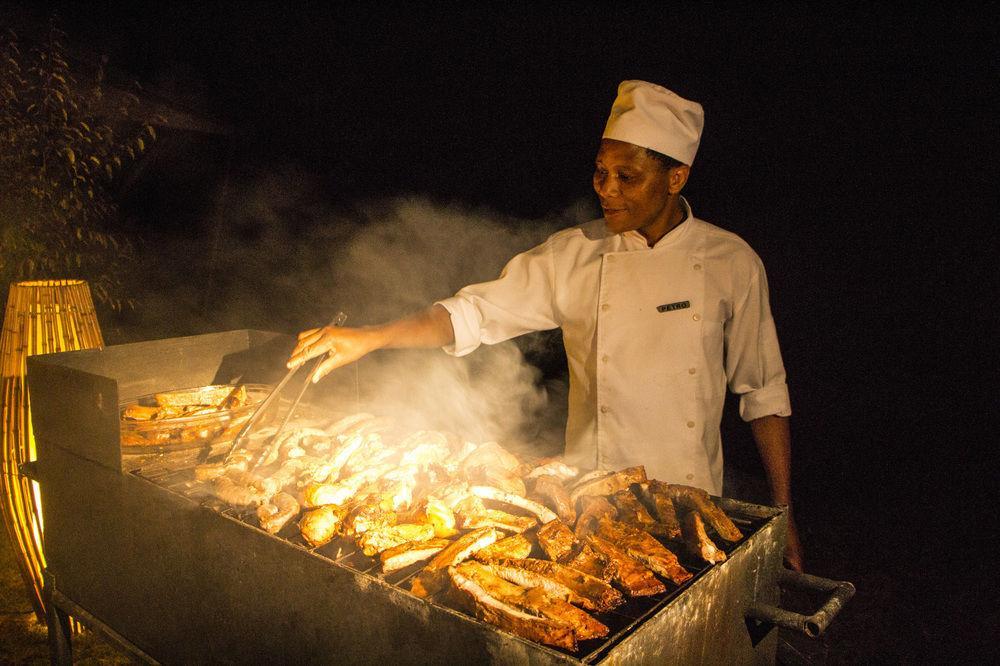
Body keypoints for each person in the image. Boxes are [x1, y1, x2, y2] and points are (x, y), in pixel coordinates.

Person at [288, 80, 803, 570]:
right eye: (601, 172)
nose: (607, 190)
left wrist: (784, 517)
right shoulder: (574, 254)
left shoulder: (730, 262)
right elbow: (473, 313)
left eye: (628, 177)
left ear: (676, 177)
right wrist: (371, 338)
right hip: (585, 503)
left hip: (689, 508)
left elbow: (764, 395)